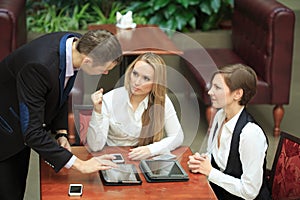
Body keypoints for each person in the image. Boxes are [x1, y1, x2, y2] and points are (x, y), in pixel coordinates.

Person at [0, 29, 123, 200]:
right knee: (9, 193)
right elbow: (32, 133)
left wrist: (61, 132)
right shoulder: (38, 66)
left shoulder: (77, 44)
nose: (105, 73)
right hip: (5, 130)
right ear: (88, 61)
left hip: (23, 121)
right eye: (104, 69)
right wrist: (80, 164)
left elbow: (60, 89)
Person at [188, 64, 271, 199]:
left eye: (218, 88)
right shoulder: (220, 116)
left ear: (237, 94)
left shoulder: (250, 134)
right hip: (220, 193)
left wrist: (210, 172)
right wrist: (202, 161)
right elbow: (214, 156)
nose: (210, 92)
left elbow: (250, 191)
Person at [86, 52, 184, 160]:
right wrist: (97, 111)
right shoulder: (109, 99)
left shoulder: (162, 100)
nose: (136, 82)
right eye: (135, 74)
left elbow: (177, 136)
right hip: (114, 159)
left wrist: (150, 150)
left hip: (142, 160)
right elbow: (95, 147)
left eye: (146, 78)